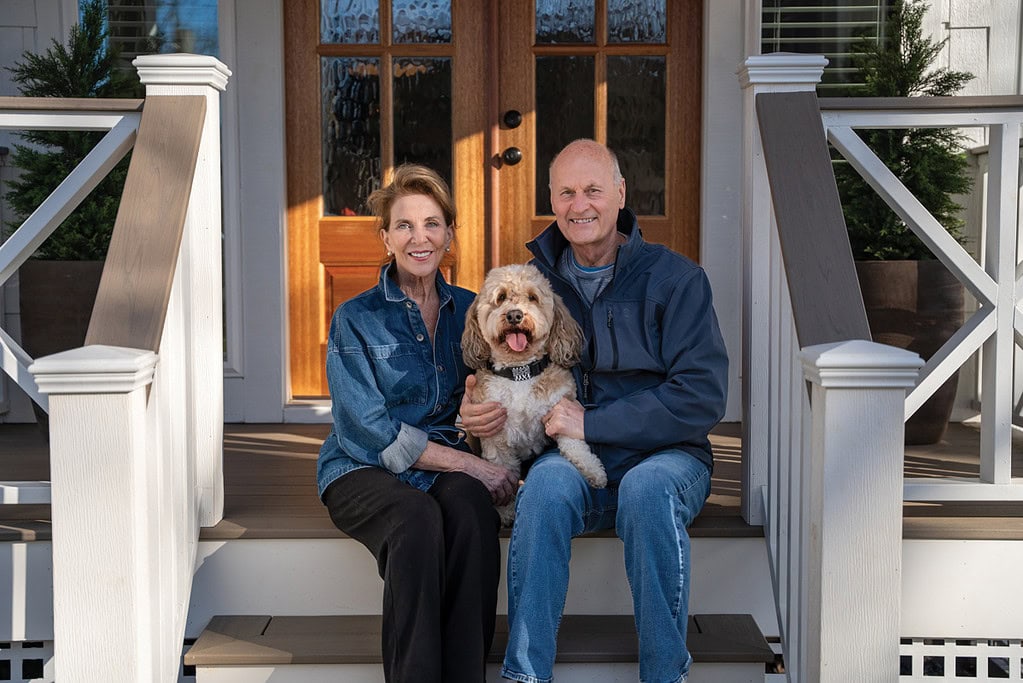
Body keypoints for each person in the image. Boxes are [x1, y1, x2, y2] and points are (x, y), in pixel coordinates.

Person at [461, 139, 729, 683]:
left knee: (647, 490)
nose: (579, 205)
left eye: (592, 190)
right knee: (545, 489)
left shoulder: (676, 280)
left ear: (621, 195)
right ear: (552, 202)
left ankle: (664, 674)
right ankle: (526, 675)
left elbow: (701, 396)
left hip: (667, 456)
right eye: (566, 193)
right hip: (577, 458)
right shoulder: (539, 282)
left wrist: (594, 422)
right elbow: (490, 361)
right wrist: (471, 411)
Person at [317, 164, 519, 683]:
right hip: (361, 469)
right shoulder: (355, 318)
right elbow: (367, 429)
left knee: (472, 516)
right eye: (404, 225)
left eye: (432, 223)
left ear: (449, 234)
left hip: (445, 460)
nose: (419, 237)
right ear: (385, 237)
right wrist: (469, 463)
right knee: (418, 521)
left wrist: (477, 417)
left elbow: (495, 390)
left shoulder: (473, 311)